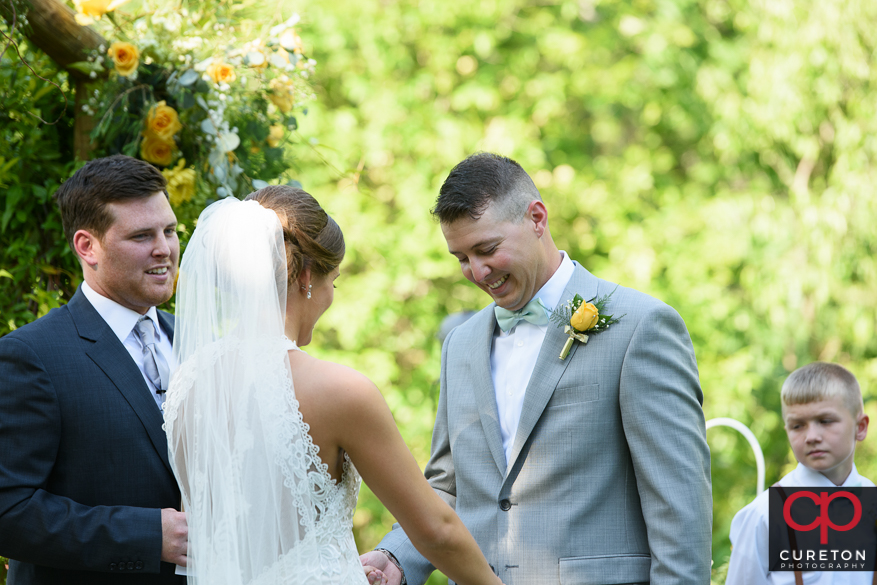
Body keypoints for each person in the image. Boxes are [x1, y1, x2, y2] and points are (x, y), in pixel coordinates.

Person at [361, 152, 713, 584]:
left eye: (487, 249)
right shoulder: (460, 344)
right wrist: (394, 557)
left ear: (537, 218)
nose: (477, 271)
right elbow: (448, 487)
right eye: (461, 258)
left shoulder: (640, 327)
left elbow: (679, 505)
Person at [164, 186, 503, 585]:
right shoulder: (341, 392)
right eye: (334, 282)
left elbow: (224, 540)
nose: (330, 297)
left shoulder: (188, 384)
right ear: (307, 276)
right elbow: (436, 530)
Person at [0, 155, 188, 584]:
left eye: (170, 230)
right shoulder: (30, 356)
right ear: (88, 246)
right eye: (142, 235)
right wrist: (145, 535)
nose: (165, 248)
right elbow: (7, 510)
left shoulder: (195, 342)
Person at [726, 362, 873, 585]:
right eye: (797, 426)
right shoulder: (765, 514)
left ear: (860, 427)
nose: (811, 436)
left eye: (825, 421)